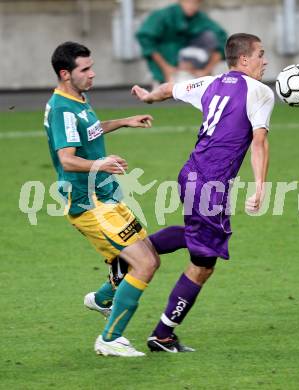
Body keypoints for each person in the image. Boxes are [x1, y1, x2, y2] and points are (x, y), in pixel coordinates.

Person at [131, 33, 274, 352]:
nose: (265, 61)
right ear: (245, 59)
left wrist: (148, 98)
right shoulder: (261, 93)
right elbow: (259, 142)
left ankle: (126, 255)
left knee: (197, 236)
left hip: (190, 174)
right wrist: (260, 187)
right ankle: (162, 334)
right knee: (203, 263)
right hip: (212, 185)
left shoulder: (210, 82)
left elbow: (169, 89)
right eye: (261, 54)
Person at [44, 41, 161, 357]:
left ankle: (100, 298)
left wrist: (123, 121)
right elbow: (67, 158)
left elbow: (91, 132)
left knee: (147, 254)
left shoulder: (79, 99)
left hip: (107, 195)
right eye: (85, 69)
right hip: (89, 203)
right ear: (65, 74)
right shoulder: (62, 110)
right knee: (145, 263)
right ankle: (109, 339)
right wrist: (100, 163)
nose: (92, 74)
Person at [136, 0, 227, 84]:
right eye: (188, 1)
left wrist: (207, 70)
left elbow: (221, 39)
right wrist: (166, 68)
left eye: (196, 3)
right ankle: (175, 78)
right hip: (164, 67)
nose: (192, 6)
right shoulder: (162, 16)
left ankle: (189, 76)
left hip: (191, 72)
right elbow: (146, 39)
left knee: (209, 37)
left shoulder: (200, 18)